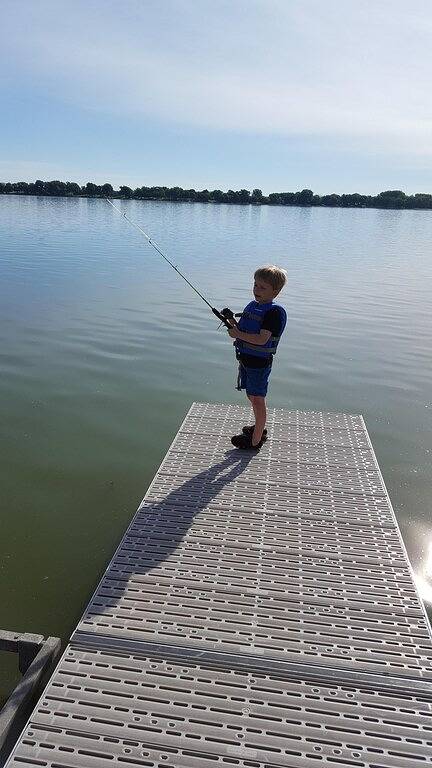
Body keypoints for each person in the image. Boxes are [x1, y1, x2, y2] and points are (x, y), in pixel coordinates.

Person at [227, 265, 287, 450]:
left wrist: (237, 334)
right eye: (255, 285)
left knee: (258, 399)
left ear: (275, 292)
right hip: (246, 360)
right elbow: (245, 331)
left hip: (259, 363)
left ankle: (255, 441)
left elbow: (262, 339)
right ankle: (259, 428)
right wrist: (231, 322)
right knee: (252, 396)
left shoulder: (273, 313)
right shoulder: (254, 306)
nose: (256, 290)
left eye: (262, 287)